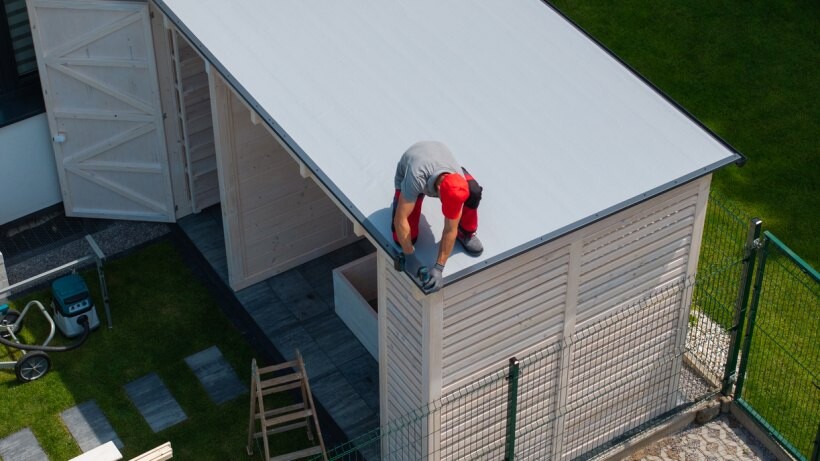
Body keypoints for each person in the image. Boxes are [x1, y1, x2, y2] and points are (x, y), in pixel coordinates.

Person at [392, 141, 483, 292]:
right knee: (403, 238)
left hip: (440, 161)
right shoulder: (416, 178)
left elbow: (449, 228)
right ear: (439, 189)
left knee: (474, 191)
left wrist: (439, 268)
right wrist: (409, 256)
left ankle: (466, 232)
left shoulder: (458, 180)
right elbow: (400, 219)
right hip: (412, 167)